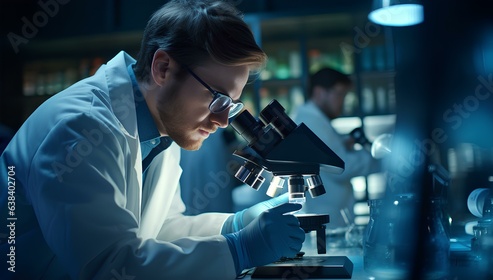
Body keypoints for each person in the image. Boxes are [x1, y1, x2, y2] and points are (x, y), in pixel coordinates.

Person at [0, 1, 305, 279]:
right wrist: (239, 250)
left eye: (231, 105)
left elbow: (161, 231)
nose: (223, 121)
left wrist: (235, 225)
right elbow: (109, 267)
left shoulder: (159, 133)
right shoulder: (81, 129)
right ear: (163, 68)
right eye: (217, 98)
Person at [292, 67, 381, 228]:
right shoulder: (311, 122)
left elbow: (328, 156)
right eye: (339, 94)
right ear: (319, 92)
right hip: (327, 219)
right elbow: (341, 167)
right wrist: (381, 158)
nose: (343, 101)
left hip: (329, 216)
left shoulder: (312, 120)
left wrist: (342, 144)